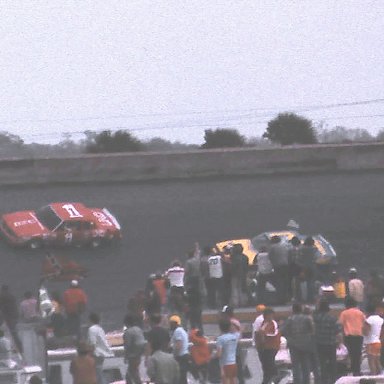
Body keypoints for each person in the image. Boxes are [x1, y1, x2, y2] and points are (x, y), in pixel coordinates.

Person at [281, 302, 314, 384]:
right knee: (306, 365)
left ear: (293, 310)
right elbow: (312, 330)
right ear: (301, 309)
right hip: (306, 345)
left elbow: (282, 330)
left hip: (294, 345)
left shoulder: (290, 319)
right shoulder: (307, 318)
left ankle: (297, 382)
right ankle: (306, 382)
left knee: (296, 366)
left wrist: (289, 337)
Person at [313, 298, 342, 384]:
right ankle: (333, 379)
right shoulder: (333, 318)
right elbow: (338, 331)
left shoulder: (316, 318)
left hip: (320, 344)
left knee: (322, 363)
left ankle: (324, 380)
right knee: (333, 362)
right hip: (331, 343)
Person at [338, 296, 365, 376]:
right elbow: (364, 322)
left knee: (350, 353)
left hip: (349, 335)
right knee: (358, 353)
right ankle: (357, 370)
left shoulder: (344, 313)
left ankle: (352, 369)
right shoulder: (360, 312)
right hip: (359, 335)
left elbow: (340, 324)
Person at [87, 313, 114, 384]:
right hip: (101, 354)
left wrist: (88, 355)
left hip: (96, 354)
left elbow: (93, 343)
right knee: (99, 372)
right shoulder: (100, 329)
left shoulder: (91, 329)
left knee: (97, 374)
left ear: (90, 320)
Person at [256, 308, 280, 384]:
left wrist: (264, 335)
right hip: (263, 348)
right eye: (269, 315)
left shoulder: (273, 323)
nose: (270, 317)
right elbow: (258, 333)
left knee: (270, 363)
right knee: (265, 365)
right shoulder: (262, 323)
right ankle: (266, 380)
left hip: (272, 346)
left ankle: (276, 376)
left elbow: (274, 333)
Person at [123, 313, 147, 384]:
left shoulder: (128, 332)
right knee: (131, 372)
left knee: (133, 373)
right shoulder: (138, 329)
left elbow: (127, 345)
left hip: (132, 355)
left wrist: (125, 357)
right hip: (139, 354)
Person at [216, 317, 239, 384]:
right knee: (233, 381)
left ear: (220, 327)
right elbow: (237, 331)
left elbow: (219, 354)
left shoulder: (220, 339)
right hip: (233, 363)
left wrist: (213, 355)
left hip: (225, 364)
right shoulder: (234, 337)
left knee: (226, 381)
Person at [363, 303, 383, 375]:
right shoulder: (381, 319)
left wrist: (362, 328)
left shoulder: (369, 320)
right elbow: (382, 333)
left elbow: (366, 332)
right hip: (378, 342)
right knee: (377, 361)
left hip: (370, 343)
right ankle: (381, 377)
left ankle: (373, 377)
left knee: (371, 362)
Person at [268, 236, 289, 304]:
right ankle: (285, 298)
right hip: (285, 265)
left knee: (279, 282)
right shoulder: (284, 246)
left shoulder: (272, 247)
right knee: (285, 282)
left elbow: (270, 257)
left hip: (277, 266)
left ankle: (280, 299)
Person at [0, 285, 21, 352]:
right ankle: (18, 346)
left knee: (6, 332)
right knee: (13, 332)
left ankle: (9, 347)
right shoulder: (11, 296)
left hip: (6, 316)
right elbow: (15, 306)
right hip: (13, 315)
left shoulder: (2, 296)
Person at [169, 315, 189, 384]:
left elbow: (179, 345)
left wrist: (175, 356)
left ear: (175, 323)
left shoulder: (177, 331)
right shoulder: (182, 330)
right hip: (185, 355)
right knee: (183, 377)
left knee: (180, 378)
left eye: (171, 323)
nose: (170, 325)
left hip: (181, 357)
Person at [296, 237, 317, 303]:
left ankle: (302, 298)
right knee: (311, 282)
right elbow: (316, 258)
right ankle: (311, 297)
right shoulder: (314, 249)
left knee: (302, 284)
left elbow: (298, 258)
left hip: (303, 267)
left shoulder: (301, 249)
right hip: (312, 267)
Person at [229, 244, 248, 308]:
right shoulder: (245, 257)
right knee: (241, 289)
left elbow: (232, 266)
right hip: (243, 274)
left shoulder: (233, 257)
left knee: (234, 288)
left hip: (235, 274)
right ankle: (242, 302)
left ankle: (235, 303)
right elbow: (246, 267)